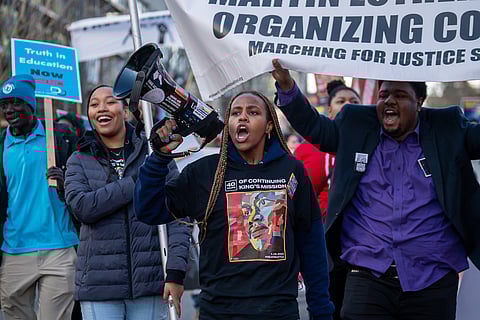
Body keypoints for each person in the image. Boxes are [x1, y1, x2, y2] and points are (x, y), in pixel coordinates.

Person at [271, 59, 480, 320]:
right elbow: (316, 127)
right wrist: (287, 86)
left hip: (432, 276)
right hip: (367, 274)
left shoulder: (446, 127)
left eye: (400, 95)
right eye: (384, 94)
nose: (389, 101)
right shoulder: (355, 123)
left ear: (421, 102)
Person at [134, 90, 334, 320]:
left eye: (253, 112)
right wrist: (158, 159)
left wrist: (321, 310)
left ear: (269, 126)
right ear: (228, 124)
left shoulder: (292, 171)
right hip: (219, 311)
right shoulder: (205, 172)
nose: (242, 117)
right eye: (235, 113)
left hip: (278, 311)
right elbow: (149, 210)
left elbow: (312, 244)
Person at [64, 85, 190, 320]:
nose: (102, 108)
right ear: (89, 114)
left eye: (110, 101)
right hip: (99, 287)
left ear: (125, 110)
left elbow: (179, 216)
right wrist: (140, 180)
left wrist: (175, 272)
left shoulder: (156, 154)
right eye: (94, 104)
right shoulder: (78, 159)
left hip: (151, 284)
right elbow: (83, 208)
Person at [0, 74, 79, 320]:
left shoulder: (61, 138)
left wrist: (68, 184)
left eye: (16, 102)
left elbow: (85, 183)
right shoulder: (1, 144)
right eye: (4, 104)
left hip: (60, 249)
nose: (9, 109)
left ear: (31, 105)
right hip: (14, 251)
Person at [294, 80, 360, 320]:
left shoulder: (374, 143)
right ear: (329, 109)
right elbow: (298, 200)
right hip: (324, 243)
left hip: (362, 244)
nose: (348, 106)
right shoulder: (309, 149)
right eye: (341, 101)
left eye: (354, 102)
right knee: (326, 306)